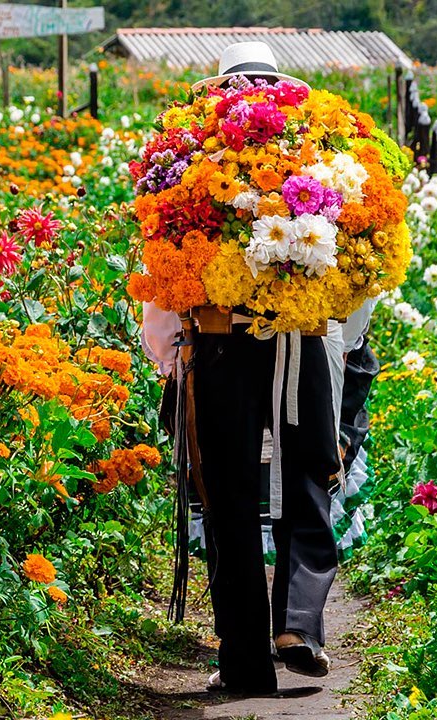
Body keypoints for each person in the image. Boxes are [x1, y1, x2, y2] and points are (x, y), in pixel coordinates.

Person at [142, 41, 357, 696]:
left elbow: (162, 264)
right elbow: (357, 269)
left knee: (227, 495)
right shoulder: (320, 152)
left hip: (217, 339)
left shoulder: (189, 159)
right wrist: (338, 339)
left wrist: (168, 357)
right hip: (300, 336)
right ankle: (297, 625)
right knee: (309, 479)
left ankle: (243, 663)